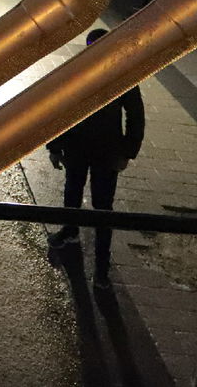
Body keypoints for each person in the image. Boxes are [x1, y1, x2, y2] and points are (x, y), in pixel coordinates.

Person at [46, 27, 144, 291]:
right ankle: (72, 233)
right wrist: (55, 146)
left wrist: (127, 152)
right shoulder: (85, 72)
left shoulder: (119, 74)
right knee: (78, 194)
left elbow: (135, 117)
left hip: (99, 150)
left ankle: (101, 265)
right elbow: (61, 110)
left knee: (101, 206)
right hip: (88, 148)